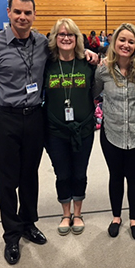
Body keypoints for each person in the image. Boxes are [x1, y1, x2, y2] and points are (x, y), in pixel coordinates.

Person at [0, 0, 98, 265]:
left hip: (34, 118)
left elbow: (69, 51)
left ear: (34, 15)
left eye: (27, 13)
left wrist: (89, 53)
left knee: (29, 175)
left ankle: (28, 223)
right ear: (8, 12)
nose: (22, 17)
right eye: (17, 12)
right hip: (4, 116)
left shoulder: (43, 43)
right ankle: (11, 235)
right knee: (7, 180)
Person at [93, 23, 135, 240]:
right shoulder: (103, 71)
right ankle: (116, 216)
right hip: (111, 134)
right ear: (114, 42)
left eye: (131, 41)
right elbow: (92, 93)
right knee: (116, 176)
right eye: (122, 40)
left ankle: (134, 218)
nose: (126, 45)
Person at [44, 18, 96, 237]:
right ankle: (66, 214)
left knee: (80, 173)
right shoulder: (46, 63)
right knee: (62, 173)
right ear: (55, 38)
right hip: (55, 131)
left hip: (83, 130)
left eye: (71, 34)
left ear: (77, 38)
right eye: (61, 34)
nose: (66, 38)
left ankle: (78, 213)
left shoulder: (88, 63)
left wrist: (96, 55)